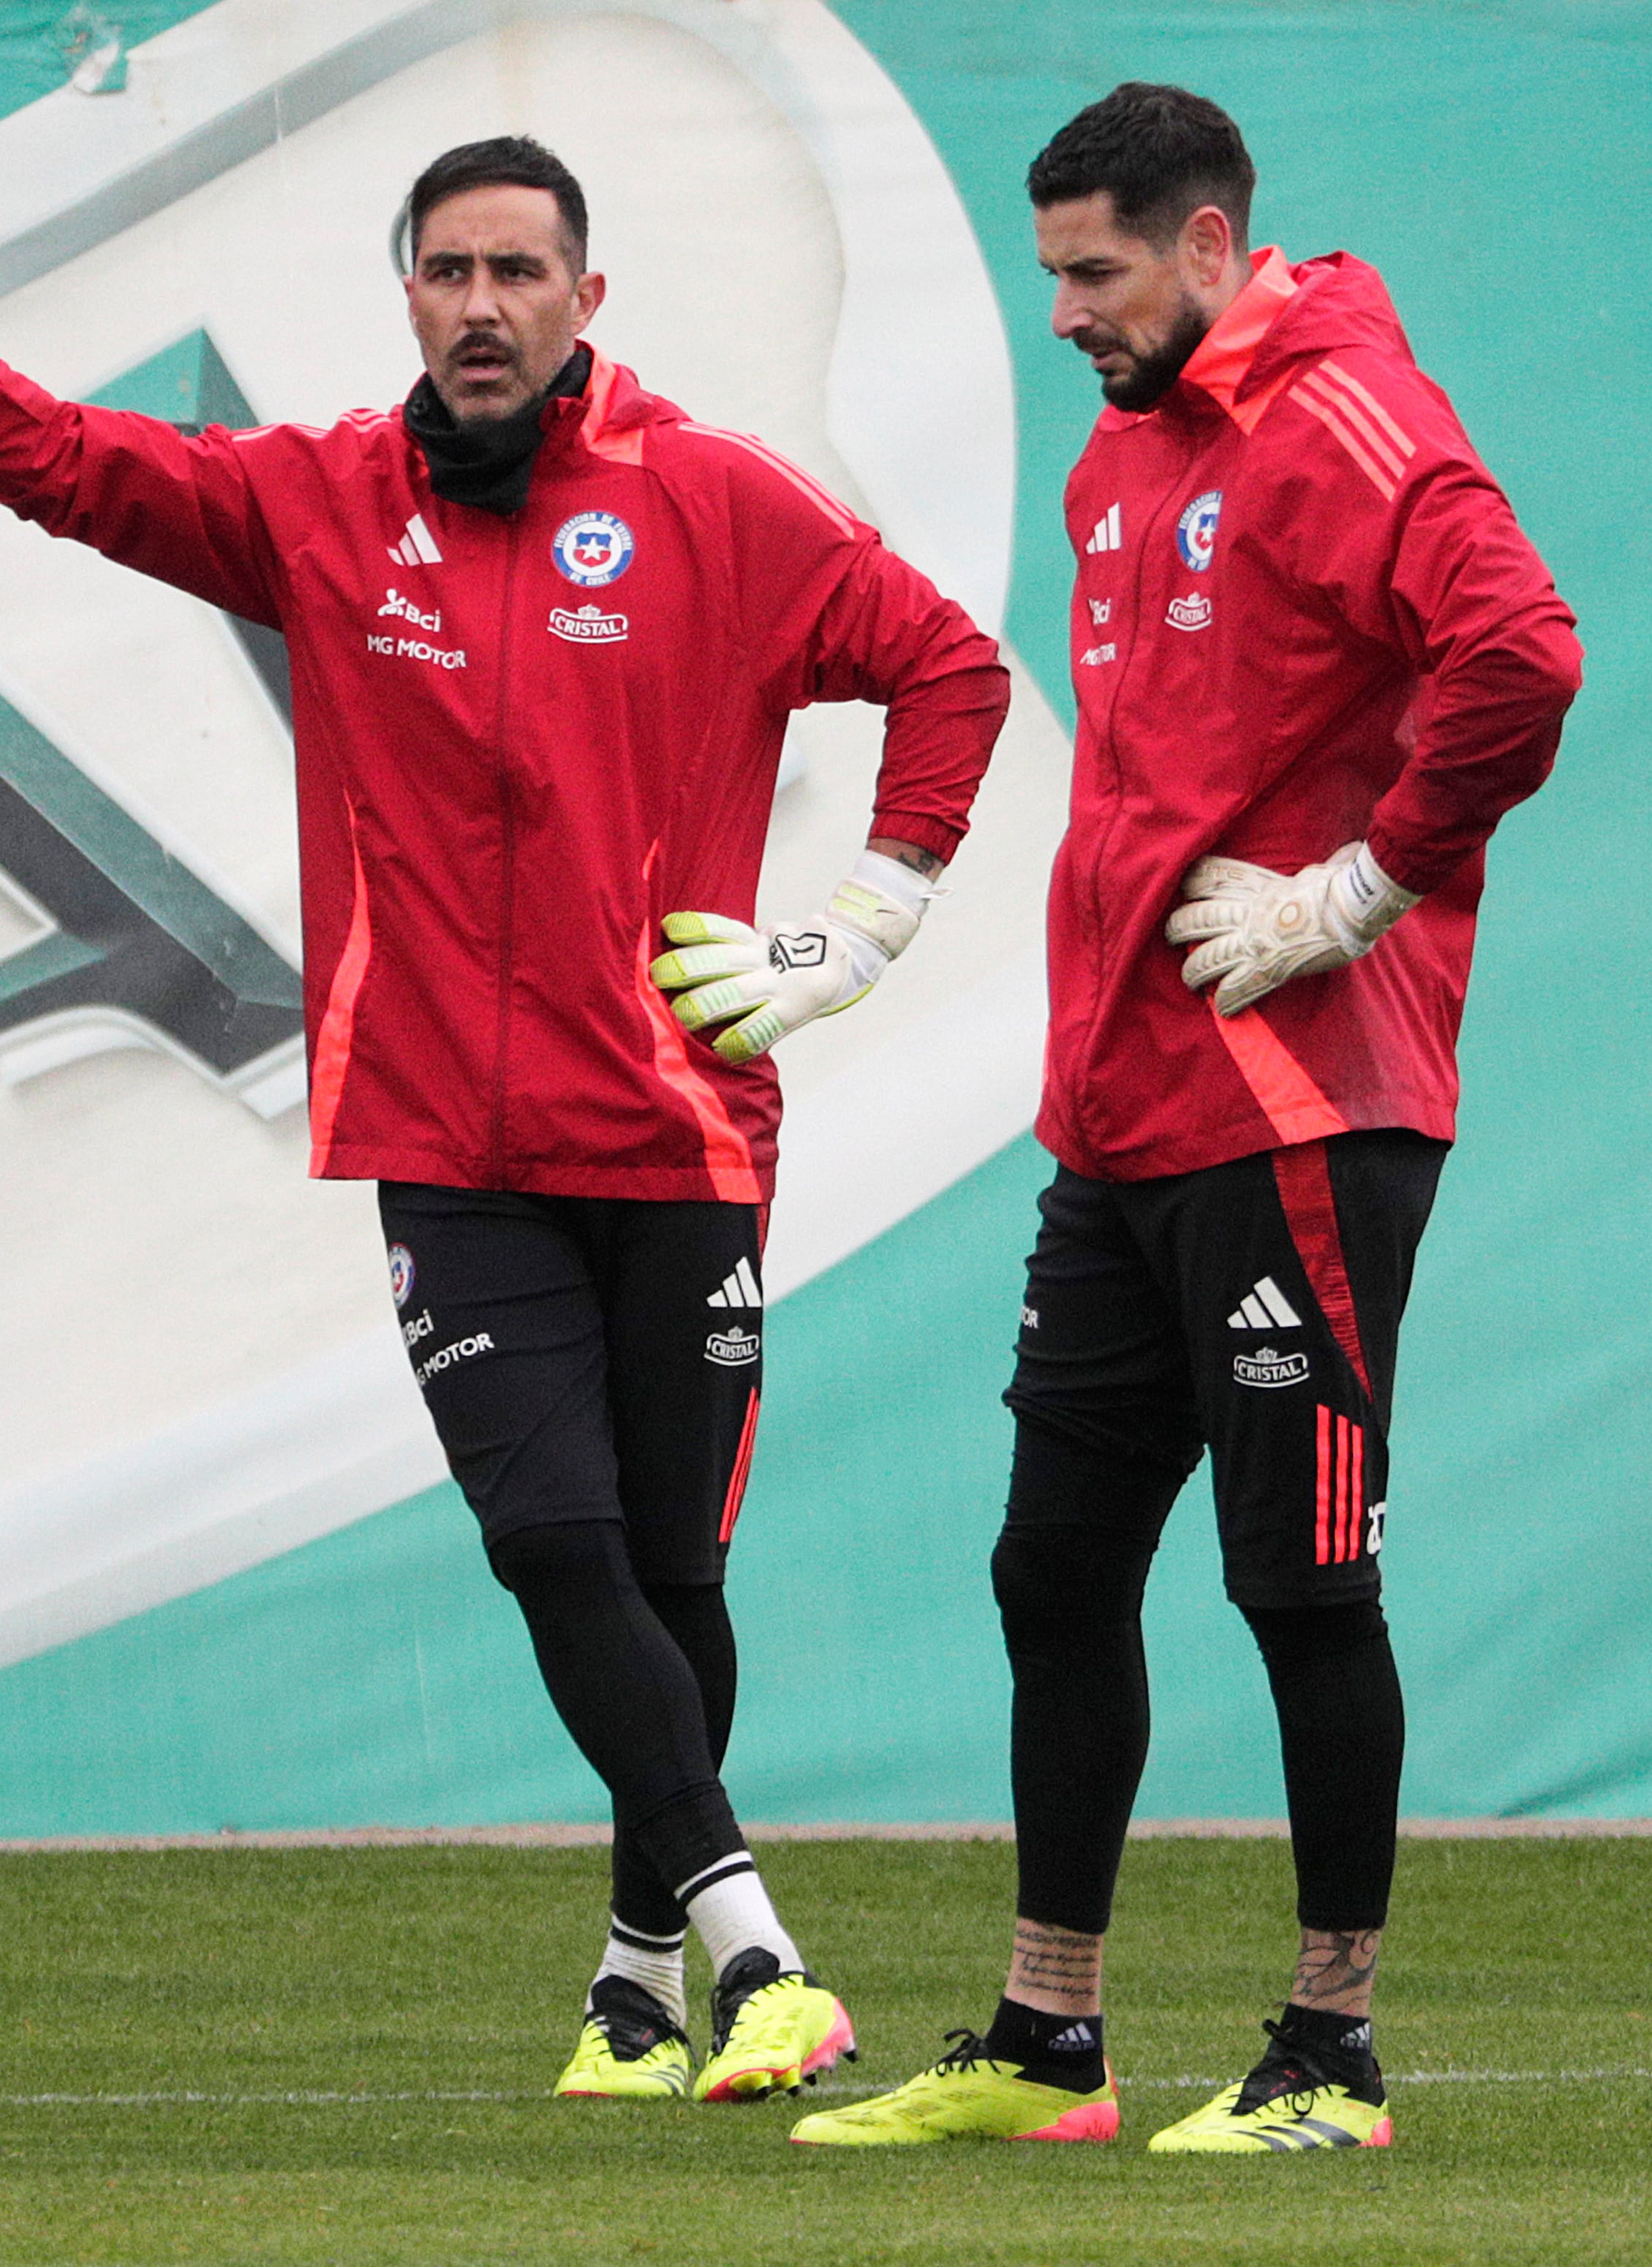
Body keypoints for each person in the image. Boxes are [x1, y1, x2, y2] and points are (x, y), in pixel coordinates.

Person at [0, 82, 1010, 2103]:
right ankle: (760, 1960)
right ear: (405, 296)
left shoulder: (715, 504)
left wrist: (854, 928)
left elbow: (950, 668)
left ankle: (635, 1983)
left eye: (514, 271)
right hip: (447, 1141)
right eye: (446, 271)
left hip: (678, 1126)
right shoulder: (321, 499)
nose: (478, 304)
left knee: (673, 1574)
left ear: (586, 294)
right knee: (554, 1540)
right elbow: (77, 472)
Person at [795, 84, 1579, 2156]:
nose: (1061, 310)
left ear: (1212, 243)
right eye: (1048, 269)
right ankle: (1052, 2036)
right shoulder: (1129, 453)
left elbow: (1521, 651)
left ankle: (1332, 2055)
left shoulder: (1341, 413)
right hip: (1128, 1113)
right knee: (1052, 1567)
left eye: (1094, 270)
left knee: (1302, 1583)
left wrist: (1363, 886)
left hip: (1303, 1104)